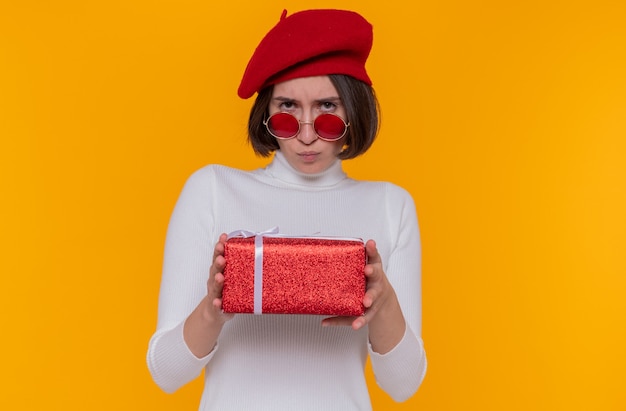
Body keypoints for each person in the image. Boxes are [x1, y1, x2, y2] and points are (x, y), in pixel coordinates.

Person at [147, 8, 427, 410]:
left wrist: (383, 305)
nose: (307, 134)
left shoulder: (390, 205)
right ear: (266, 113)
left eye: (328, 108)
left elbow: (403, 386)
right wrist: (214, 307)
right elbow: (165, 374)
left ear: (353, 108)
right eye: (288, 108)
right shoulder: (212, 190)